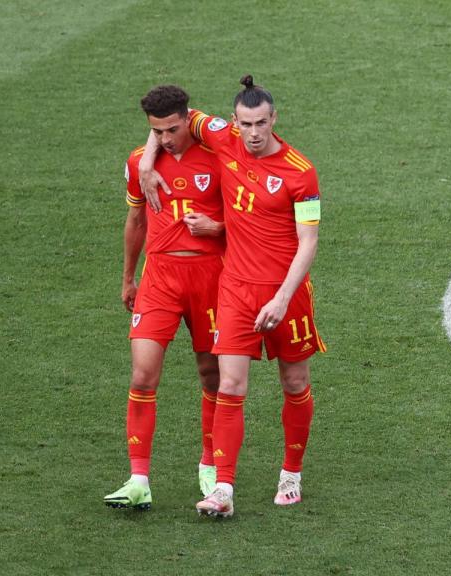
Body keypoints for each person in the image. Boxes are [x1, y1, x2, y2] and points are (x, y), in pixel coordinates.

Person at [139, 75, 325, 518]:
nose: (253, 133)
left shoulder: (301, 172)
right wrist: (147, 160)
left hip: (286, 294)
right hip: (236, 290)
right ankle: (223, 490)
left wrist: (281, 298)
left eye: (261, 123)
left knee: (294, 383)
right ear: (234, 122)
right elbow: (173, 117)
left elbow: (309, 242)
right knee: (230, 385)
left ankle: (291, 473)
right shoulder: (223, 138)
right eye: (245, 124)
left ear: (274, 119)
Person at [103, 85, 226, 511]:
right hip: (159, 278)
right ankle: (138, 480)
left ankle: (210, 463)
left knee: (212, 374)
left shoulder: (218, 155)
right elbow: (136, 220)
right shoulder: (140, 161)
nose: (166, 138)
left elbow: (251, 216)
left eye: (173, 129)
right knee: (142, 375)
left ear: (188, 118)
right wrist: (128, 278)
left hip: (212, 278)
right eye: (157, 131)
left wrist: (217, 228)